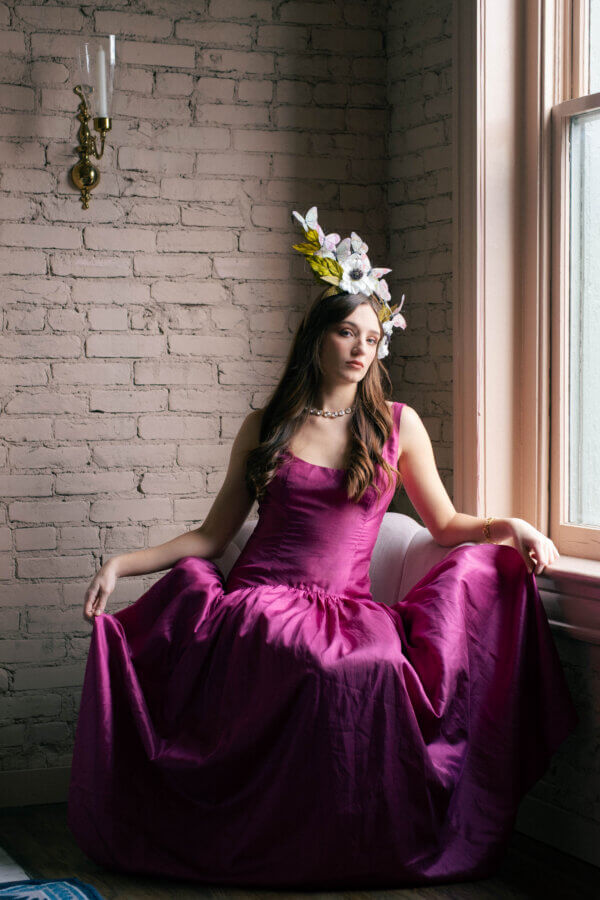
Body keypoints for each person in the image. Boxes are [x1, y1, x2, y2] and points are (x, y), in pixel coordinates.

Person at [68, 207, 578, 889]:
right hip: (258, 602)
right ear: (317, 339)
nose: (361, 347)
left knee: (368, 664)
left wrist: (514, 527)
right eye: (346, 332)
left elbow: (447, 522)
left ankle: (347, 844)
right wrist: (120, 563)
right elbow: (214, 536)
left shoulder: (397, 425)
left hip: (347, 607)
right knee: (303, 656)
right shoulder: (268, 424)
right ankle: (268, 840)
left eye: (372, 336)